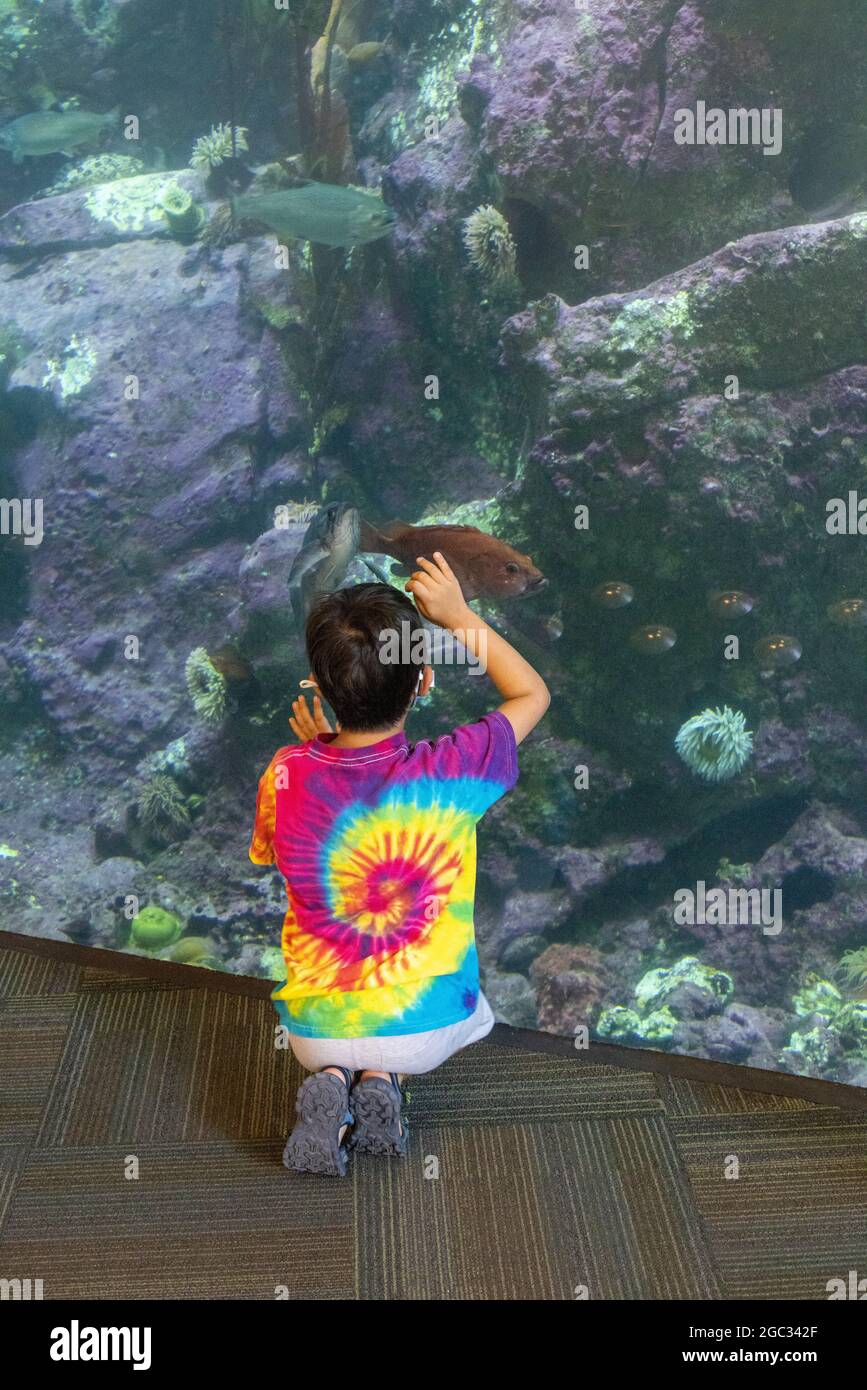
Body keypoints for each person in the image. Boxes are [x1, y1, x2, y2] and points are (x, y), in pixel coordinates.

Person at [249, 551, 550, 1175]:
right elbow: (531, 693)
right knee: (422, 1001)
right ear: (423, 681)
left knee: (349, 991)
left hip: (311, 1030)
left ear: (320, 681)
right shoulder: (449, 771)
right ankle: (384, 1080)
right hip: (426, 1027)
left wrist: (313, 748)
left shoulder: (284, 771)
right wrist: (458, 615)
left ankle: (335, 1077)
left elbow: (286, 840)